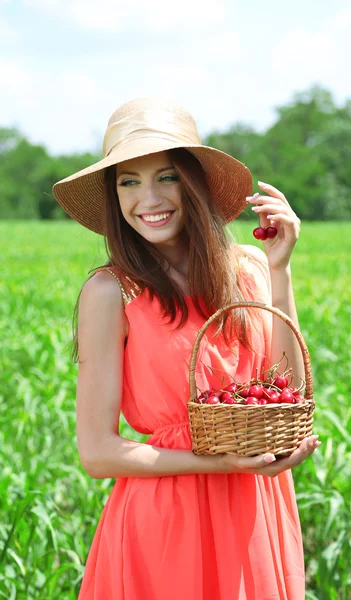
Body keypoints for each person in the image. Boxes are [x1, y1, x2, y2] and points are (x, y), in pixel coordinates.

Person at [53, 97, 320, 600]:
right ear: (114, 196)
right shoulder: (112, 292)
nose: (147, 198)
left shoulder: (249, 268)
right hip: (165, 519)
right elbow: (97, 452)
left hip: (251, 513)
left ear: (193, 182)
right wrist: (219, 463)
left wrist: (280, 268)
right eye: (127, 181)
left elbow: (289, 395)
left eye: (166, 176)